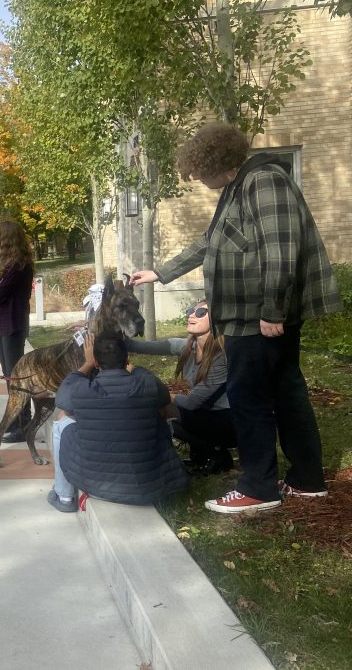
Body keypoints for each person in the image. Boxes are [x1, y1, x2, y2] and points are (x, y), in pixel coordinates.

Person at [130, 122, 341, 514]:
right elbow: (211, 242)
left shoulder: (263, 181)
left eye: (199, 173)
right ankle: (306, 480)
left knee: (251, 399)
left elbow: (281, 249)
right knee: (285, 393)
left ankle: (259, 488)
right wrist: (160, 272)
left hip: (256, 316)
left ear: (216, 162)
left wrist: (272, 310)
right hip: (253, 315)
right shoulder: (237, 186)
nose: (199, 180)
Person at [47, 333, 188, 513]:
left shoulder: (82, 388)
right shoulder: (146, 383)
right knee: (161, 412)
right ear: (127, 358)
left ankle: (65, 496)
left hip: (96, 485)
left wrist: (87, 363)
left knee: (61, 420)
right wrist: (135, 369)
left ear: (96, 362)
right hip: (150, 487)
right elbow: (164, 398)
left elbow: (62, 398)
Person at [127, 300, 236, 475]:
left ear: (217, 319)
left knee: (161, 409)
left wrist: (152, 386)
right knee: (164, 406)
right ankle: (201, 455)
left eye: (201, 312)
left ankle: (215, 455)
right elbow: (136, 346)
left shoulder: (220, 356)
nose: (192, 315)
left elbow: (192, 402)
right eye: (190, 311)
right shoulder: (188, 347)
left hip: (230, 422)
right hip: (206, 414)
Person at [0, 219, 35, 442]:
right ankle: (16, 420)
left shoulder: (19, 265)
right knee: (9, 376)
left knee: (16, 377)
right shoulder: (7, 265)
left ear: (5, 240)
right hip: (0, 325)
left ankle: (23, 424)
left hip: (12, 325)